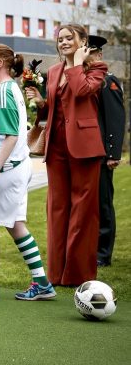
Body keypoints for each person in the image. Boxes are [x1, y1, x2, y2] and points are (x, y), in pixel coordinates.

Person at [0, 44, 56, 301]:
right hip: (16, 167)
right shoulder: (11, 90)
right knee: (16, 225)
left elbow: (10, 135)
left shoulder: (4, 93)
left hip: (4, 170)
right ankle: (42, 283)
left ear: (0, 63)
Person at [25, 24, 107, 286]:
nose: (63, 42)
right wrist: (40, 102)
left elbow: (82, 91)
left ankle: (77, 274)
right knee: (57, 210)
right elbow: (55, 107)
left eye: (69, 38)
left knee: (83, 211)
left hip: (85, 146)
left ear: (83, 41)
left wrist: (77, 63)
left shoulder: (96, 69)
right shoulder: (53, 71)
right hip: (56, 145)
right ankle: (56, 274)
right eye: (60, 39)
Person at [87, 35, 125, 267]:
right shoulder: (85, 81)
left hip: (102, 153)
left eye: (90, 53)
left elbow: (115, 119)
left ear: (99, 54)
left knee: (103, 203)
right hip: (88, 152)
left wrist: (113, 153)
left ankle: (103, 253)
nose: (87, 58)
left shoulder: (107, 81)